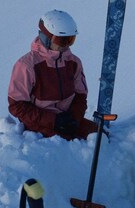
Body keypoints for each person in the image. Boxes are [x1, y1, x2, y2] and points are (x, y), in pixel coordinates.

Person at [8, 9, 95, 140]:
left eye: (70, 40)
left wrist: (74, 119)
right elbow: (17, 106)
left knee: (100, 137)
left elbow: (80, 96)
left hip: (68, 119)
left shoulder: (73, 62)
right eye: (62, 40)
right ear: (46, 38)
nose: (66, 46)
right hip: (39, 124)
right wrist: (54, 121)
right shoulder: (27, 65)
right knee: (65, 145)